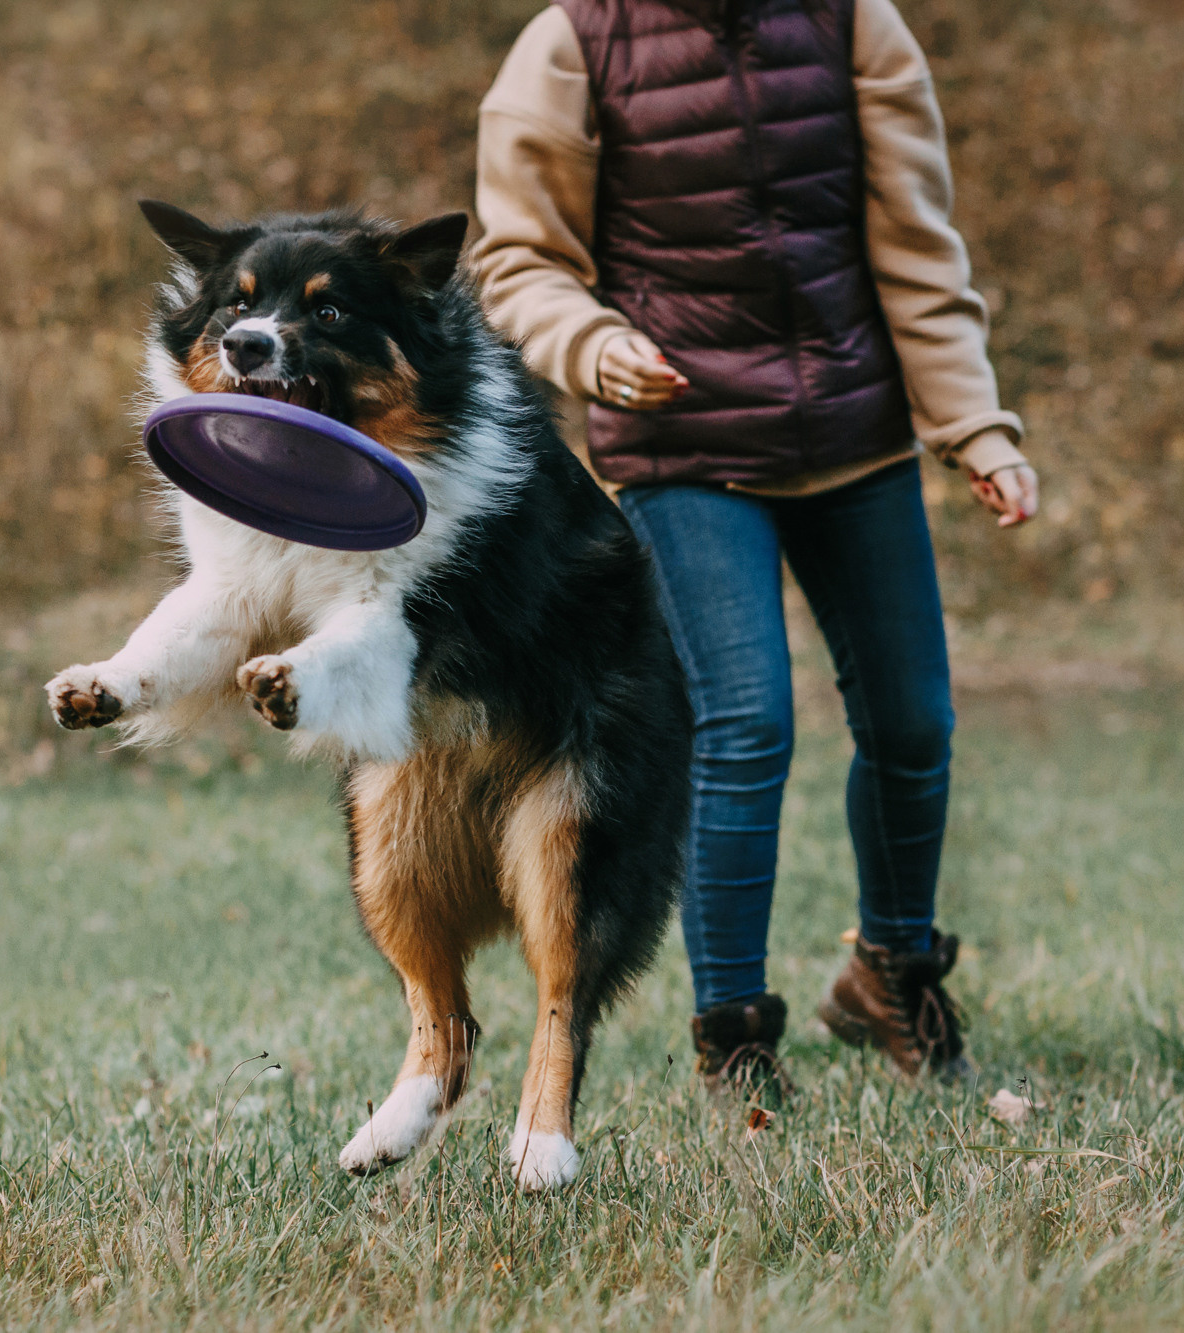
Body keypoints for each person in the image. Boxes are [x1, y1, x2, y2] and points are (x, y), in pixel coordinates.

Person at [473, 0, 1038, 1087]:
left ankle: (891, 974)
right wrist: (592, 345)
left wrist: (971, 424)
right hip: (683, 450)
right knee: (745, 724)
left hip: (853, 435)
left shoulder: (851, 23)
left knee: (913, 719)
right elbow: (518, 261)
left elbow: (915, 246)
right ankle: (731, 1039)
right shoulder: (572, 43)